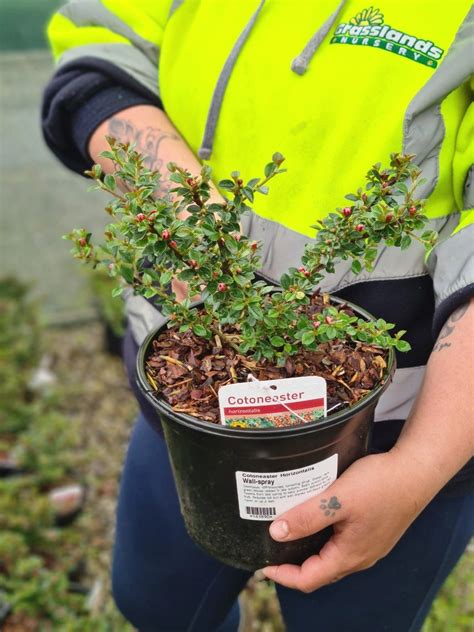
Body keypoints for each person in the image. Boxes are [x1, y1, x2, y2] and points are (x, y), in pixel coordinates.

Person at [42, 1, 474, 630]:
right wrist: (182, 207)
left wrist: (418, 467)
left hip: (398, 434)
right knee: (155, 604)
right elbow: (101, 53)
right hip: (184, 414)